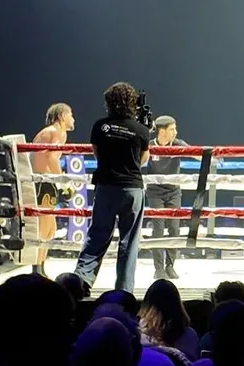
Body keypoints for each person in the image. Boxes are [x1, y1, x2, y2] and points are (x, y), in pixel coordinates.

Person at [73, 82, 151, 293]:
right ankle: (124, 290)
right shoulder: (141, 130)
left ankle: (82, 281)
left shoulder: (100, 126)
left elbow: (98, 155)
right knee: (129, 241)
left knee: (97, 234)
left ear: (109, 103)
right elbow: (142, 160)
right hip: (132, 188)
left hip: (107, 185)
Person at [30, 103, 76, 276]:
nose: (73, 118)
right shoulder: (56, 132)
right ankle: (36, 270)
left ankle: (40, 268)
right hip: (44, 181)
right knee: (44, 228)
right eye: (71, 114)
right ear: (62, 116)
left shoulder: (51, 132)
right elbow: (51, 158)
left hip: (44, 180)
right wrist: (64, 183)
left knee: (49, 229)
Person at [145, 115, 188, 280]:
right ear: (161, 131)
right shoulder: (149, 146)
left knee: (174, 228)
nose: (175, 132)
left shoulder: (177, 144)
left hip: (173, 191)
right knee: (158, 229)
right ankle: (158, 268)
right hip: (155, 192)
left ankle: (170, 266)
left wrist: (211, 156)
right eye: (172, 129)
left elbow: (196, 153)